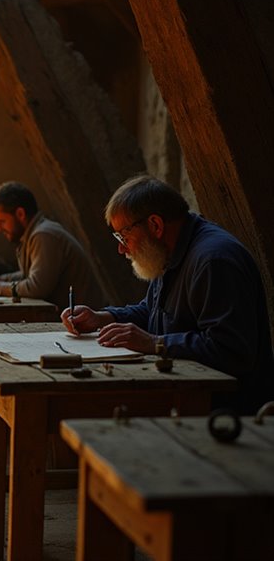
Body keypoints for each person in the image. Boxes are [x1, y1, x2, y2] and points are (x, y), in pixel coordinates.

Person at [62, 175, 274, 414]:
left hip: (224, 414)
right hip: (185, 394)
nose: (122, 248)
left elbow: (231, 350)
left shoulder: (213, 261)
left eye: (124, 236)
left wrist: (155, 343)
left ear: (155, 225)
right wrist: (102, 317)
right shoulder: (168, 252)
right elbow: (151, 311)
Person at [0, 181, 105, 310]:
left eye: (2, 221)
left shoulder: (44, 234)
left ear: (20, 214)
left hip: (87, 325)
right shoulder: (33, 234)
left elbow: (37, 287)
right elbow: (29, 275)